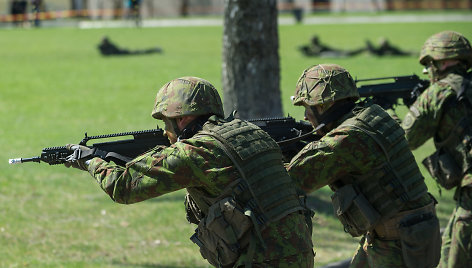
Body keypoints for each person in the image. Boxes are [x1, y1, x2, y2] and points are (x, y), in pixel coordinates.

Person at [64, 77, 315, 267]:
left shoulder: (197, 151)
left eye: (165, 122)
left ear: (182, 119)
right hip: (298, 253)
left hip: (261, 259)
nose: (165, 132)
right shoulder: (250, 132)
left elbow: (123, 187)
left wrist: (90, 161)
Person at [287, 63, 441, 267]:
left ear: (323, 105)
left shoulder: (349, 137)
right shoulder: (374, 115)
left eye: (307, 107)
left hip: (399, 242)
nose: (305, 117)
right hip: (409, 231)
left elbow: (292, 180)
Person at [398, 31, 472, 268]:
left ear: (441, 61)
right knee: (450, 247)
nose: (430, 68)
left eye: (432, 62)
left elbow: (405, 140)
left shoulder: (438, 92)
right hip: (466, 195)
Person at [299, 35, 364, 58]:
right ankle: (364, 49)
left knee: (349, 53)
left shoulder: (318, 48)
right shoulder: (316, 48)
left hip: (337, 53)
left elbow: (314, 53)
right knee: (349, 53)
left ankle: (364, 49)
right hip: (336, 53)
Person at [97, 36, 162, 56]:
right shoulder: (107, 47)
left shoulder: (109, 46)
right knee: (140, 52)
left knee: (141, 51)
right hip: (124, 53)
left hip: (124, 52)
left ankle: (155, 49)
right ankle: (155, 50)